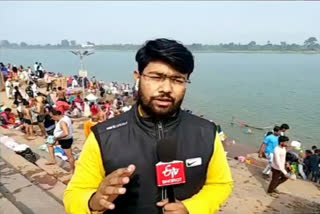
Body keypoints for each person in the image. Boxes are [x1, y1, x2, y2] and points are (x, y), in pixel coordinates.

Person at [64, 38, 233, 214]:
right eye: (156, 77)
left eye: (177, 80)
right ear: (138, 77)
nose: (166, 88)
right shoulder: (104, 135)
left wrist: (193, 208)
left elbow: (221, 184)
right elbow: (74, 194)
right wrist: (93, 201)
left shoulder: (206, 132)